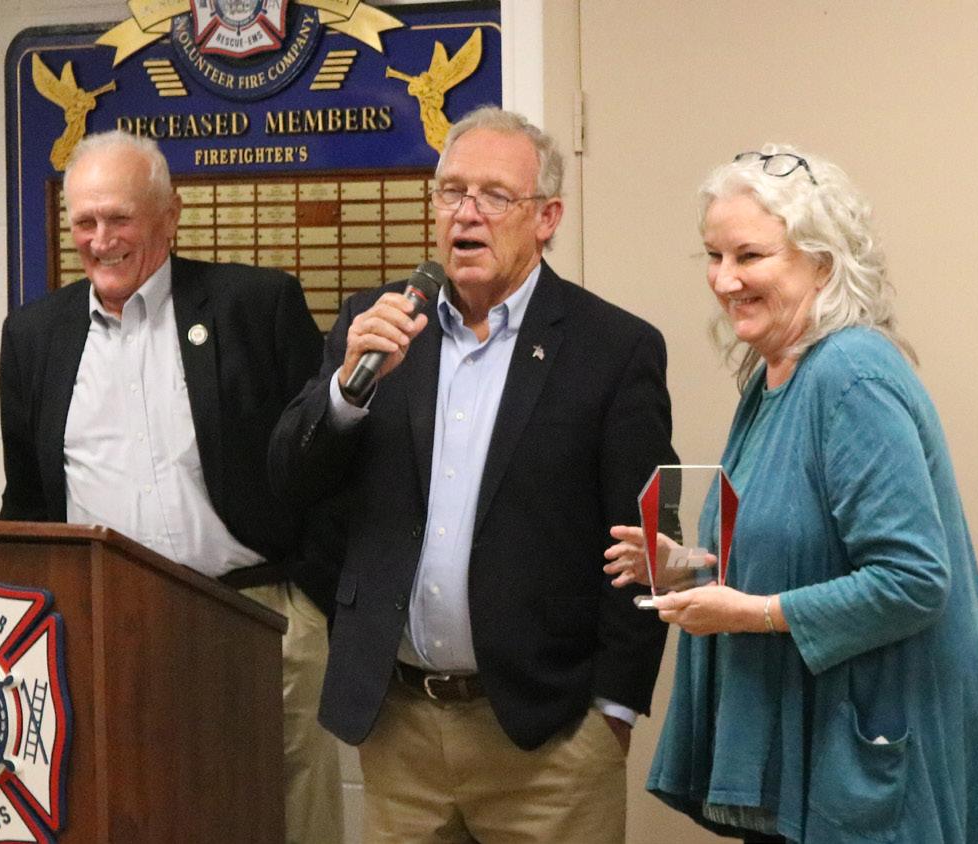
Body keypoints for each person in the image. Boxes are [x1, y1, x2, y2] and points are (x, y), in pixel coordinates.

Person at [269, 106, 676, 843]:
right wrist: (345, 393)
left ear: (546, 218)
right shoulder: (378, 323)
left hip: (548, 738)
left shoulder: (613, 349)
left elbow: (646, 538)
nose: (466, 212)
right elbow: (290, 482)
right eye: (452, 192)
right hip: (399, 729)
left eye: (494, 196)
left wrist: (613, 710)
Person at [604, 147, 978, 842]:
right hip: (814, 759)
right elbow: (799, 549)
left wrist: (750, 614)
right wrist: (685, 570)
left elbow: (913, 580)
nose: (724, 279)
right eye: (713, 255)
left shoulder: (849, 375)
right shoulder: (773, 374)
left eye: (749, 256)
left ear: (823, 263)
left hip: (868, 766)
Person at [0, 130, 342, 843]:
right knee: (132, 818)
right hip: (104, 633)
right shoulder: (34, 336)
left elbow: (327, 461)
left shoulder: (257, 306)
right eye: (85, 222)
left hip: (256, 618)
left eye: (119, 218)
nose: (101, 240)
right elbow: (26, 497)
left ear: (169, 215)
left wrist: (310, 600)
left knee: (286, 820)